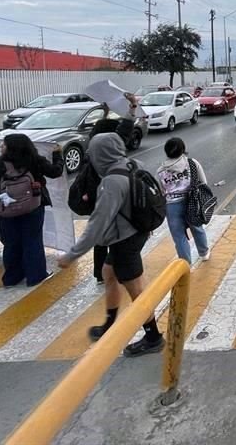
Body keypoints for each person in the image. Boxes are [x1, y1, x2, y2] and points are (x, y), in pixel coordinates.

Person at [57, 133, 163, 357]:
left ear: (99, 155)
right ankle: (109, 323)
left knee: (136, 290)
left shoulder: (111, 182)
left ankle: (153, 337)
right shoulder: (134, 163)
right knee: (109, 273)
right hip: (135, 232)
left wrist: (71, 256)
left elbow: (97, 225)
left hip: (125, 240)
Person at [0, 134, 64, 287]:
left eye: (4, 145)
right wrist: (57, 155)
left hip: (6, 211)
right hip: (33, 207)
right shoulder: (34, 160)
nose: (1, 147)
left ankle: (11, 279)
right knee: (32, 240)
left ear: (11, 148)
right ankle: (36, 276)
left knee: (11, 243)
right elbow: (55, 172)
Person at [84, 94, 140, 284]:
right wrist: (132, 107)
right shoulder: (116, 157)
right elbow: (124, 130)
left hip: (99, 202)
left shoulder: (92, 155)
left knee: (102, 239)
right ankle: (121, 271)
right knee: (120, 237)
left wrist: (106, 111)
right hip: (118, 207)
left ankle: (101, 273)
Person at [157, 137, 210, 264]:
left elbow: (161, 191)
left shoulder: (160, 171)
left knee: (178, 235)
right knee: (197, 227)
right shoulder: (192, 163)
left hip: (171, 205)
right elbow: (203, 182)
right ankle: (204, 253)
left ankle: (185, 263)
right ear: (183, 149)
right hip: (191, 201)